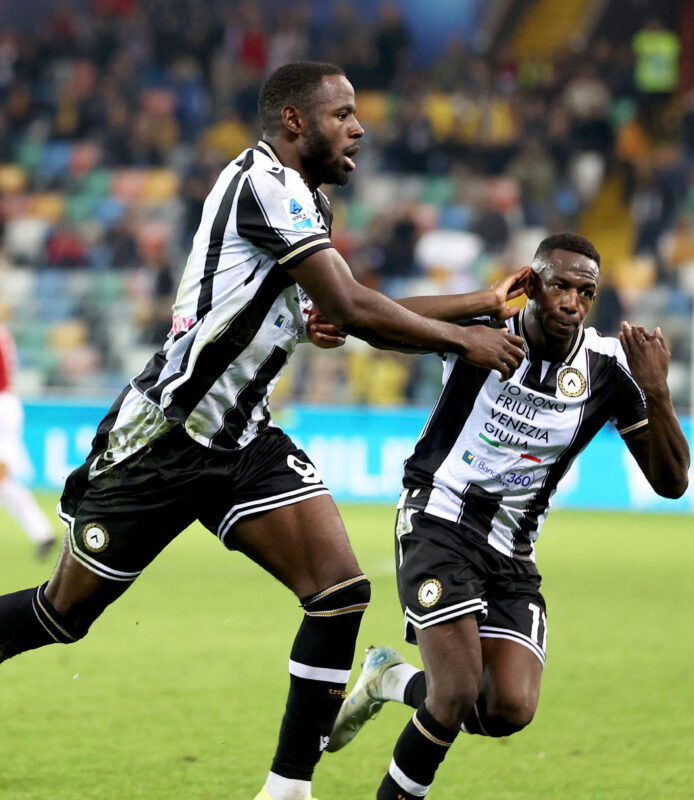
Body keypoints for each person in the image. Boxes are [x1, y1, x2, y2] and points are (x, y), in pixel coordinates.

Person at [0, 61, 526, 800]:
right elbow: (355, 309)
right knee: (63, 615)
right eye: (343, 114)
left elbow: (340, 309)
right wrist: (465, 339)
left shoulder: (306, 200)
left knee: (339, 591)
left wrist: (479, 302)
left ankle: (286, 791)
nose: (359, 127)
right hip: (164, 439)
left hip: (242, 441)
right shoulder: (263, 185)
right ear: (294, 121)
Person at [328, 232, 691, 800]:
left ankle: (389, 677)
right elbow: (376, 318)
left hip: (511, 548)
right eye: (560, 286)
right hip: (438, 517)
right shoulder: (484, 333)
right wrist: (477, 306)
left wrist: (658, 393)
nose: (571, 302)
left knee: (508, 707)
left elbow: (672, 484)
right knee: (453, 694)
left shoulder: (609, 371)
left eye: (585, 292)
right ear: (534, 284)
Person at [0, 323, 56, 560]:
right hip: (7, 404)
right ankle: (42, 532)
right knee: (3, 481)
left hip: (2, 406)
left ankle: (42, 532)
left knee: (2, 479)